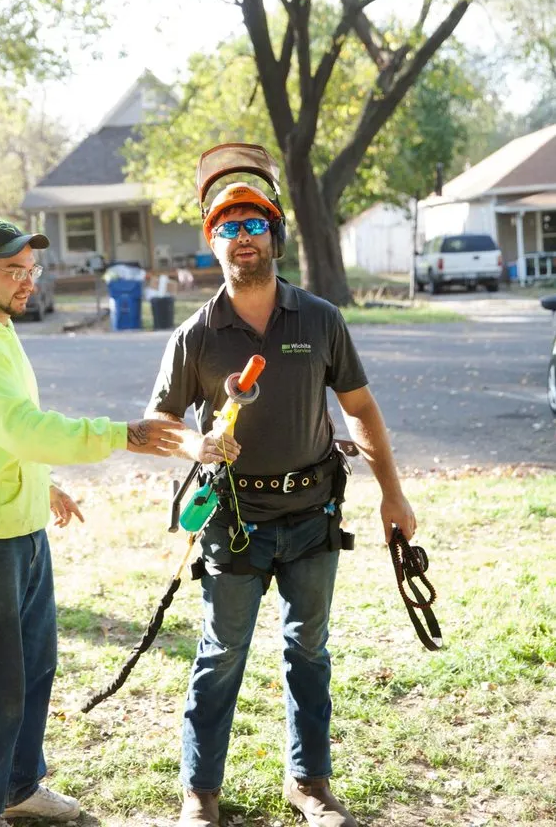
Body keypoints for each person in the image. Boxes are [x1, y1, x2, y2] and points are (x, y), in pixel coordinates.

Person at [0, 218, 230, 827]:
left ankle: (17, 786)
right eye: (13, 271)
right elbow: (26, 428)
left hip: (19, 527)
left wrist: (42, 484)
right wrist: (124, 435)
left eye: (31, 271)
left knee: (35, 667)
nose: (27, 283)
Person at [146, 163, 416, 827]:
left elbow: (360, 409)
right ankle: (200, 793)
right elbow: (158, 425)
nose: (244, 237)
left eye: (255, 225)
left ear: (275, 238)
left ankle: (310, 785)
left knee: (308, 649)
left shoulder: (319, 319)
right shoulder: (197, 334)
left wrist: (393, 496)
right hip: (233, 521)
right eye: (229, 227)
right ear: (213, 244)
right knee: (221, 653)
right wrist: (197, 444)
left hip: (312, 513)